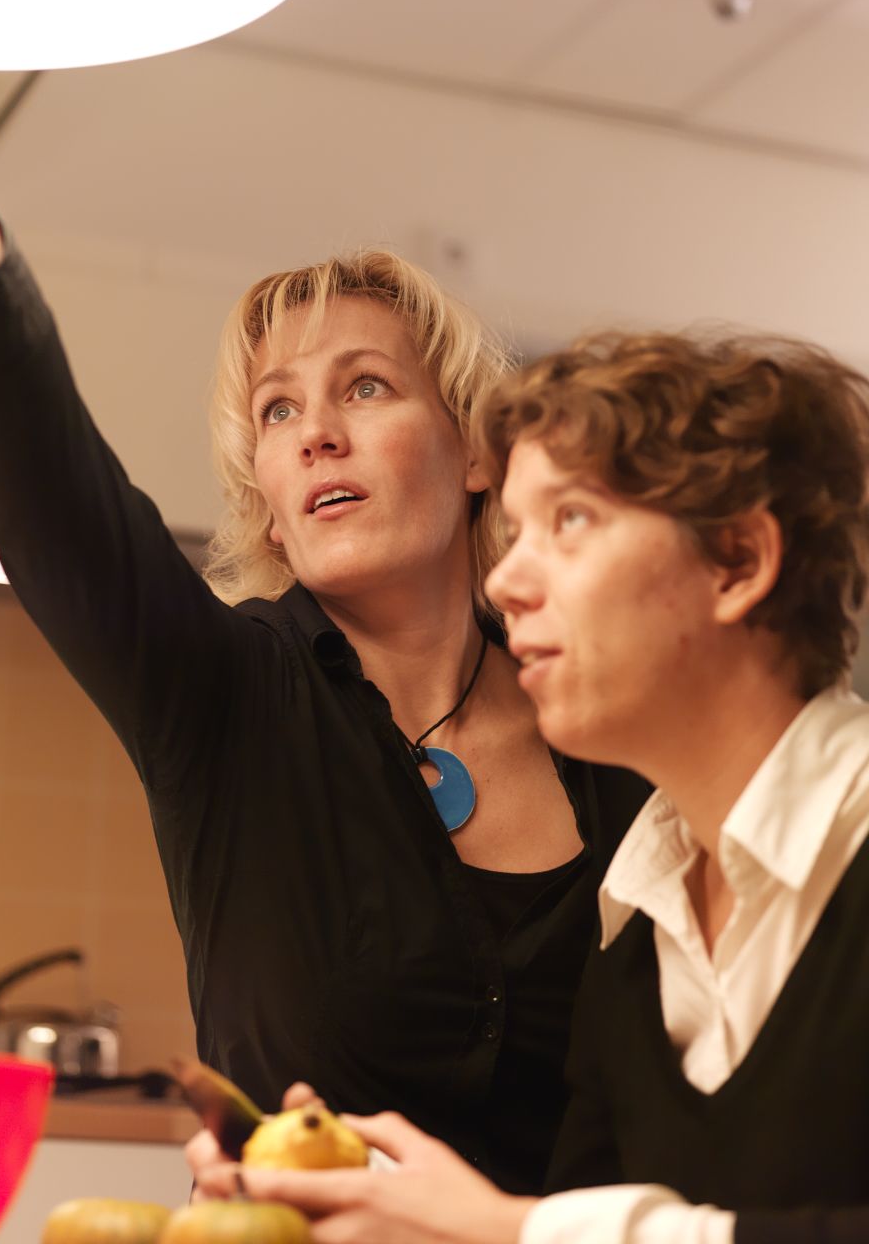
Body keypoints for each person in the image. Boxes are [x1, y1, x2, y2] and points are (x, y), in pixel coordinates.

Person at [0, 0, 646, 1191]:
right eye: (280, 412)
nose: (317, 432)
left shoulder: (605, 721)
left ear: (476, 451)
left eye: (366, 388)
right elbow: (47, 486)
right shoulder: (222, 701)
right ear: (268, 501)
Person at [196, 330, 869, 1242]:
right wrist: (368, 1205)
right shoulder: (637, 912)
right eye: (518, 531)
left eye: (572, 521)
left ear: (738, 563)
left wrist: (509, 1230)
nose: (508, 581)